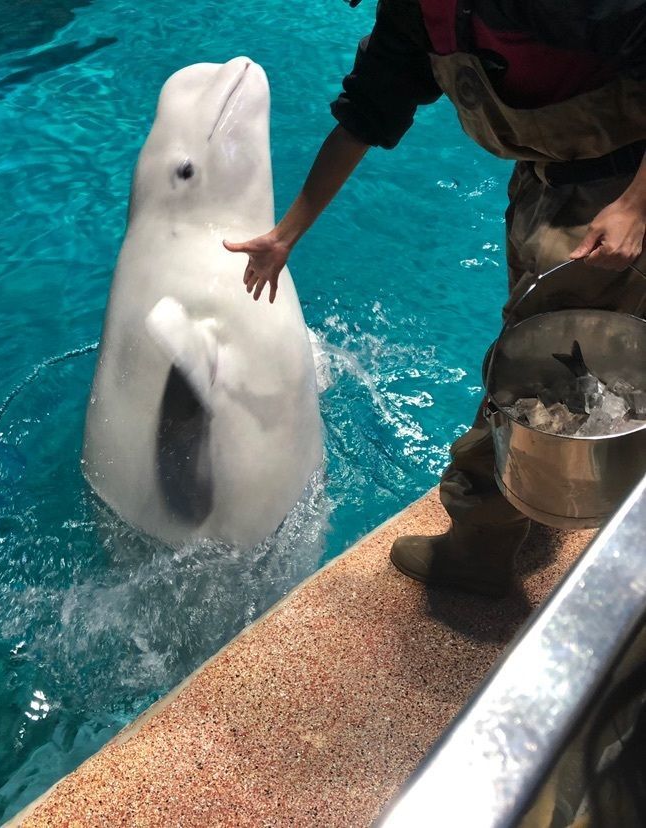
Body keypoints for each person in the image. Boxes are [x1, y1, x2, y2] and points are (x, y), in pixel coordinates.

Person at [223, 0, 646, 597]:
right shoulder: (419, 12)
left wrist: (635, 206)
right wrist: (285, 234)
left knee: (529, 376)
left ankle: (480, 549)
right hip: (550, 179)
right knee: (556, 350)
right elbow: (366, 115)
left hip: (619, 193)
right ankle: (557, 479)